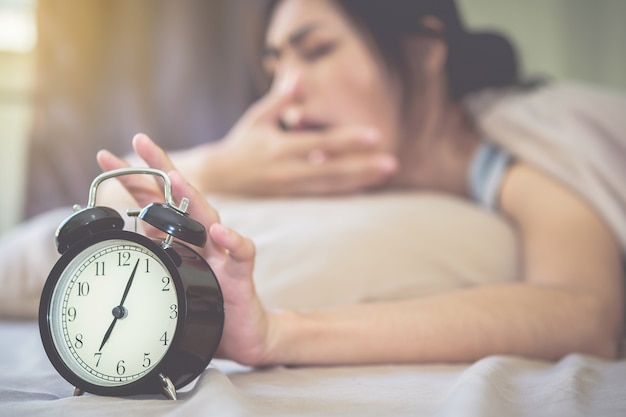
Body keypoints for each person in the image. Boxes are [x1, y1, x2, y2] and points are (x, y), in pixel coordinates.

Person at [90, 0, 626, 366]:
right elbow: (111, 193)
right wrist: (222, 165)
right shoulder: (300, 162)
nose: (285, 93)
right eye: (274, 66)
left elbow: (586, 313)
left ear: (423, 51)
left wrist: (280, 334)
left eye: (317, 50)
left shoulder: (516, 153)